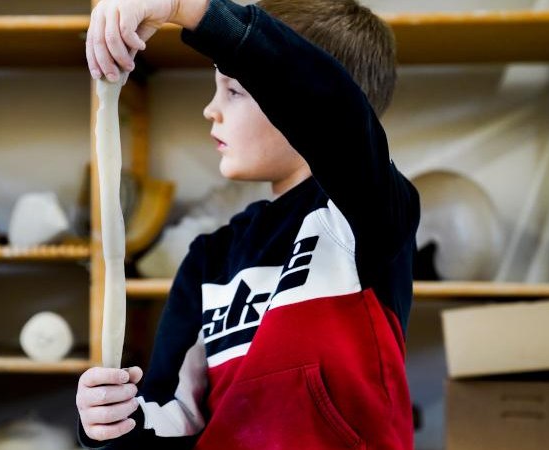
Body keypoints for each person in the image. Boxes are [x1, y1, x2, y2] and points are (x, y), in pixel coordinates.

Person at [77, 0, 419, 448]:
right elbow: (168, 415)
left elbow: (333, 112)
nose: (211, 110)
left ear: (295, 94)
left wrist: (189, 7)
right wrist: (109, 425)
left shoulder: (369, 214)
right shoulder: (210, 259)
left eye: (233, 90)